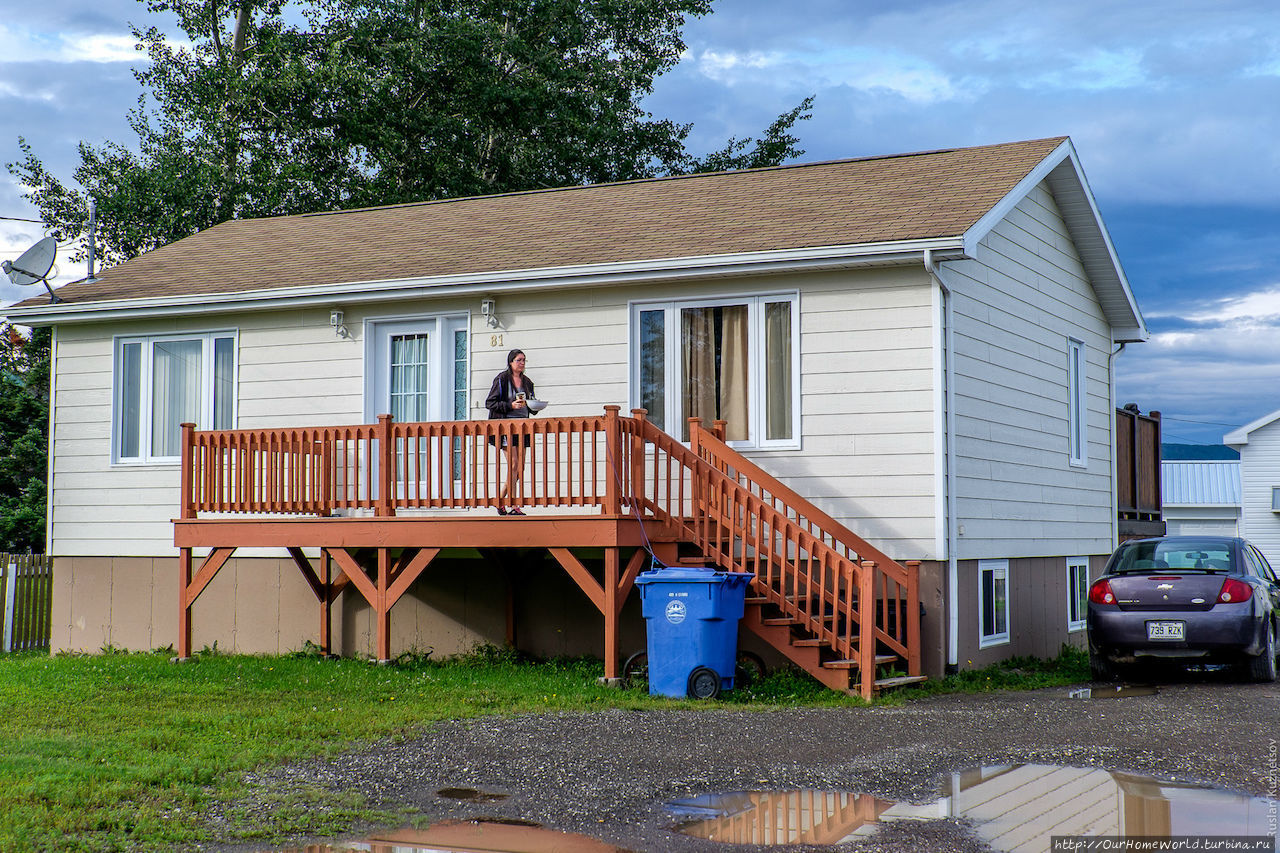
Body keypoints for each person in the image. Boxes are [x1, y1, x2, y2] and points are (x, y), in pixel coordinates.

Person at [485, 348, 538, 515]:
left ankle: (499, 501)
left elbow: (532, 404)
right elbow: (490, 403)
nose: (522, 363)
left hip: (523, 427)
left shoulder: (528, 382)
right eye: (519, 360)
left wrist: (535, 405)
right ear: (510, 362)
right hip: (506, 428)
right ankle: (513, 505)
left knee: (519, 468)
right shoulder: (501, 379)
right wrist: (510, 405)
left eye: (524, 360)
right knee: (513, 465)